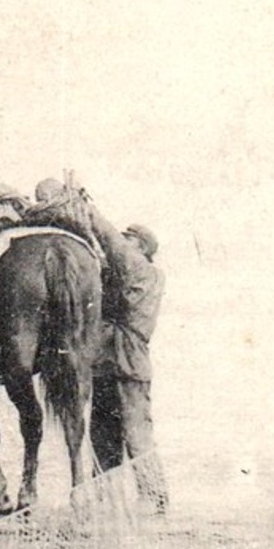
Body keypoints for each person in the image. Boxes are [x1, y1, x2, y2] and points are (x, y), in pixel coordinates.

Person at [86, 209, 168, 514]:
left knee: (136, 430)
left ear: (143, 248)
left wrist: (89, 212)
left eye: (129, 240)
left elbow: (112, 246)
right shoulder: (125, 272)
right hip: (106, 360)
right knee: (102, 430)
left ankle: (154, 495)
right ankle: (103, 494)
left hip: (128, 359)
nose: (122, 244)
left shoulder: (145, 272)